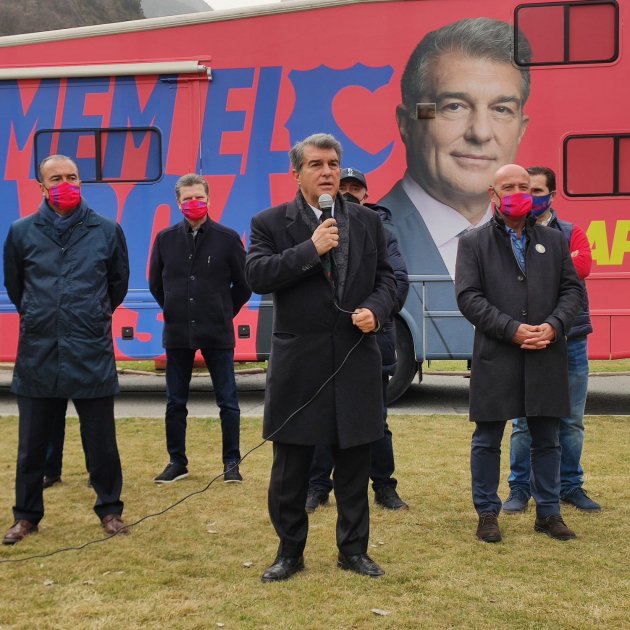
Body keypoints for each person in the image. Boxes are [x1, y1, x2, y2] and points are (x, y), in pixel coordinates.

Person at [246, 133, 396, 581]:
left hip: (354, 358)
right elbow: (257, 274)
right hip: (300, 364)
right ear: (297, 174)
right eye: (316, 164)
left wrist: (377, 309)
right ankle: (289, 553)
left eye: (332, 163)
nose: (327, 172)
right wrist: (310, 249)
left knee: (354, 464)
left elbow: (389, 279)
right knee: (290, 469)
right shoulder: (270, 222)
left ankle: (353, 551)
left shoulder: (368, 221)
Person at [2, 154, 130, 545]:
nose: (65, 184)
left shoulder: (106, 230)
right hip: (38, 352)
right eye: (55, 178)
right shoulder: (21, 232)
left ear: (81, 181)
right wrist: (42, 315)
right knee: (31, 448)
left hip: (90, 350)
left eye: (71, 177)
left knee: (102, 444)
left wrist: (90, 315)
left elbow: (117, 284)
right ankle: (26, 517)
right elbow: (16, 286)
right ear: (41, 186)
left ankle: (110, 510)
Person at [455, 163, 583, 543]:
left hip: (545, 352)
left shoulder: (554, 240)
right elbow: (468, 297)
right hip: (497, 354)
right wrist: (511, 329)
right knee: (487, 439)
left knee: (548, 439)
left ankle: (548, 513)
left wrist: (554, 326)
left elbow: (572, 291)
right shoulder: (473, 242)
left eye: (524, 186)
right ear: (493, 195)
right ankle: (487, 513)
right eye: (508, 187)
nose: (517, 193)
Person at [381, 17, 531, 303]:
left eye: (501, 109)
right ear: (407, 122)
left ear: (521, 130)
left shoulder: (536, 241)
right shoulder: (364, 239)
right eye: (454, 106)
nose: (480, 133)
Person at [305, 167, 410, 513]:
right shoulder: (316, 229)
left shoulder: (383, 232)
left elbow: (397, 281)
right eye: (344, 186)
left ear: (366, 194)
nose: (349, 192)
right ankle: (317, 487)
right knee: (322, 419)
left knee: (376, 420)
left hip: (370, 342)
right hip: (323, 345)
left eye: (356, 187)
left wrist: (374, 311)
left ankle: (384, 487)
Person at [503, 166, 600, 514]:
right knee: (523, 422)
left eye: (538, 191)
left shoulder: (571, 232)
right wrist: (557, 266)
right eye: (526, 190)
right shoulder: (509, 234)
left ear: (553, 195)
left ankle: (569, 485)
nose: (530, 197)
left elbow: (581, 270)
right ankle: (519, 488)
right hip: (526, 339)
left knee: (571, 420)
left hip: (570, 339)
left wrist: (547, 270)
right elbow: (512, 279)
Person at [149, 173, 251, 484]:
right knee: (175, 402)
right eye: (187, 198)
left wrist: (223, 311)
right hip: (178, 333)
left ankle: (231, 463)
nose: (194, 203)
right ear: (178, 202)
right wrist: (175, 308)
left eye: (199, 197)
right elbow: (156, 284)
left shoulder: (227, 239)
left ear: (208, 199)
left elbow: (244, 284)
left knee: (228, 401)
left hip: (217, 332)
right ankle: (176, 462)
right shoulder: (165, 239)